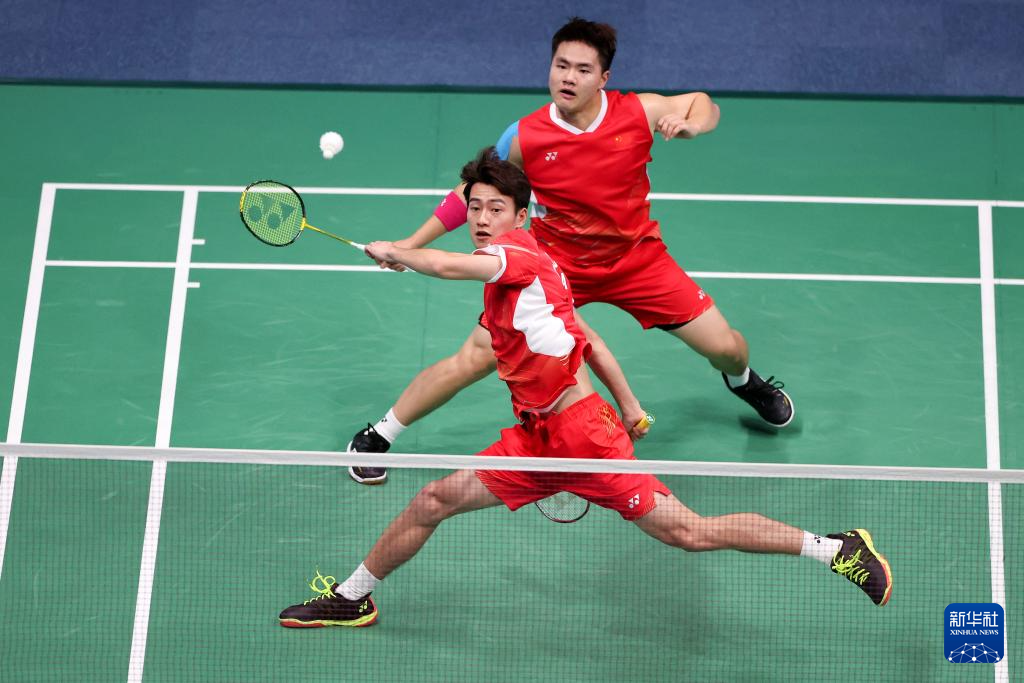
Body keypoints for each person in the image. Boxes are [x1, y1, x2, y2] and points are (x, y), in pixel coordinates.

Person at [279, 151, 890, 628]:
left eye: (496, 209)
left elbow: (444, 265)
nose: (483, 220)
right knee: (433, 500)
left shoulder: (516, 256)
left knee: (689, 532)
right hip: (536, 440)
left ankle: (835, 548)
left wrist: (402, 251)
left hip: (585, 443)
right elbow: (587, 338)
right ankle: (353, 598)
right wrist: (630, 404)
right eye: (476, 208)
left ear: (521, 217)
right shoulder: (525, 276)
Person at [346, 17, 792, 486]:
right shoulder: (525, 136)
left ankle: (743, 381)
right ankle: (380, 434)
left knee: (726, 347)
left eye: (582, 69)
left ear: (603, 78)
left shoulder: (638, 111)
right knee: (476, 357)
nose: (568, 78)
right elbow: (470, 193)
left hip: (637, 259)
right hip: (553, 269)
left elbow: (704, 102)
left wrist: (692, 126)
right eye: (561, 66)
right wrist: (409, 245)